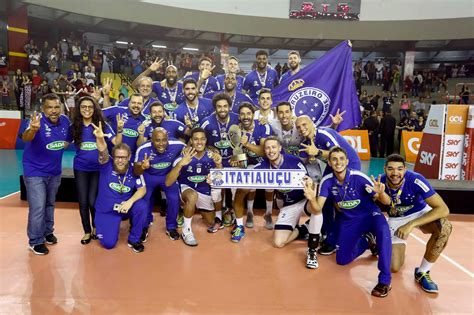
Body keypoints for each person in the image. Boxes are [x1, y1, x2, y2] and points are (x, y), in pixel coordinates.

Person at [306, 146, 393, 297]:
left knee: (383, 231)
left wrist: (381, 194)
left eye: (341, 159)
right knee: (342, 260)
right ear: (329, 162)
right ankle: (367, 240)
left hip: (370, 215)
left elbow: (386, 202)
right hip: (349, 220)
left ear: (347, 161)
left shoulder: (359, 177)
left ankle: (385, 280)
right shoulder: (327, 182)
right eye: (334, 159)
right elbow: (317, 209)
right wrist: (312, 198)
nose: (338, 162)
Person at [378, 154, 452, 293]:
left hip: (419, 213)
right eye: (390, 169)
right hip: (396, 218)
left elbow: (443, 209)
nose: (395, 173)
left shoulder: (416, 180)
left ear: (405, 169)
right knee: (393, 268)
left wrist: (411, 225)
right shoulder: (379, 182)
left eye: (400, 169)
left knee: (445, 227)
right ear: (385, 169)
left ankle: (422, 272)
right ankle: (387, 245)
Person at [296, 115, 361, 255]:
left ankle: (354, 235)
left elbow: (338, 154)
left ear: (312, 123)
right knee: (324, 200)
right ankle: (329, 234)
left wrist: (317, 152)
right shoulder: (309, 139)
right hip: (332, 166)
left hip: (348, 165)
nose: (302, 128)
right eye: (299, 127)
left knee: (343, 203)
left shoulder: (322, 134)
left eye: (304, 124)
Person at [254, 137, 323, 268]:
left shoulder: (294, 161)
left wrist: (310, 184)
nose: (270, 150)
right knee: (278, 243)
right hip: (289, 206)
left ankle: (312, 250)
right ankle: (303, 229)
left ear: (280, 148)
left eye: (273, 147)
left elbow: (308, 181)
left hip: (303, 200)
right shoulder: (263, 166)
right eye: (267, 148)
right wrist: (219, 178)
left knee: (317, 208)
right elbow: (243, 177)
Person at [21, 93, 72, 255]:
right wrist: (33, 129)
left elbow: (67, 139)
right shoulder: (35, 121)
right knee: (38, 207)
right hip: (35, 171)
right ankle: (35, 241)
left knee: (50, 204)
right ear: (43, 109)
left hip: (54, 172)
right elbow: (26, 137)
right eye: (49, 107)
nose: (54, 111)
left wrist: (61, 146)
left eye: (57, 107)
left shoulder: (65, 121)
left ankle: (47, 232)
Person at [71, 96, 121, 245]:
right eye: (83, 107)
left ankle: (95, 227)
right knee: (83, 201)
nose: (87, 109)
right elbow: (64, 142)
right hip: (80, 168)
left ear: (95, 109)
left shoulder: (102, 125)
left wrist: (119, 130)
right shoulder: (74, 126)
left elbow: (117, 143)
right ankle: (87, 231)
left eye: (90, 107)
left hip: (99, 169)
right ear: (79, 110)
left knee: (93, 201)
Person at [93, 125, 147, 253]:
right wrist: (100, 139)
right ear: (113, 157)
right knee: (108, 244)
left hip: (125, 207)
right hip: (107, 210)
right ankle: (105, 226)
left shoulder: (134, 169)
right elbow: (103, 151)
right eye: (117, 157)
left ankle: (134, 239)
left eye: (123, 157)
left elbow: (142, 189)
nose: (120, 161)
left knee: (142, 206)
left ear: (129, 158)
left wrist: (130, 202)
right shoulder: (106, 165)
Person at [165, 128, 223, 246]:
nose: (199, 142)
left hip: (203, 190)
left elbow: (219, 181)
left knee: (211, 221)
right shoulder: (184, 156)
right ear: (191, 140)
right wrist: (180, 164)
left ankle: (194, 210)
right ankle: (186, 231)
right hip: (187, 189)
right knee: (192, 196)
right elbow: (168, 182)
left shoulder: (212, 156)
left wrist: (218, 165)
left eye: (202, 139)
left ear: (206, 140)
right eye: (196, 139)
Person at [134, 128, 185, 241]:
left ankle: (171, 227)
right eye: (157, 140)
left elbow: (190, 148)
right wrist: (142, 167)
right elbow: (136, 171)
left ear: (168, 139)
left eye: (164, 140)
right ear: (151, 140)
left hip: (167, 175)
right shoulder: (143, 149)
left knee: (174, 198)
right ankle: (144, 226)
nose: (161, 144)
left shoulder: (177, 144)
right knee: (144, 200)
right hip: (149, 176)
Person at [231, 102, 273, 237]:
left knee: (269, 189)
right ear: (239, 116)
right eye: (242, 114)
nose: (245, 116)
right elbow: (240, 160)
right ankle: (249, 213)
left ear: (253, 115)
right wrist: (237, 159)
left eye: (248, 113)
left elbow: (265, 151)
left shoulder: (263, 126)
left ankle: (269, 214)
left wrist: (247, 144)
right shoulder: (236, 130)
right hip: (251, 164)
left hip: (268, 163)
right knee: (245, 188)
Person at [201, 93, 240, 230]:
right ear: (215, 108)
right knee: (216, 192)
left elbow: (247, 137)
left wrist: (238, 156)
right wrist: (210, 149)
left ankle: (235, 216)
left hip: (233, 161)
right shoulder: (207, 121)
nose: (222, 109)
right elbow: (200, 141)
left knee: (236, 190)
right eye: (219, 107)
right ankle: (218, 217)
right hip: (216, 162)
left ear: (229, 107)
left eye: (225, 106)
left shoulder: (237, 119)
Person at [102, 93, 148, 157]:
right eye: (133, 102)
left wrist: (141, 134)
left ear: (143, 105)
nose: (136, 105)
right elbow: (98, 114)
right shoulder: (117, 111)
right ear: (128, 103)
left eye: (139, 103)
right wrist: (106, 129)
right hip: (112, 156)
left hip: (131, 158)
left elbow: (140, 146)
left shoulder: (145, 121)